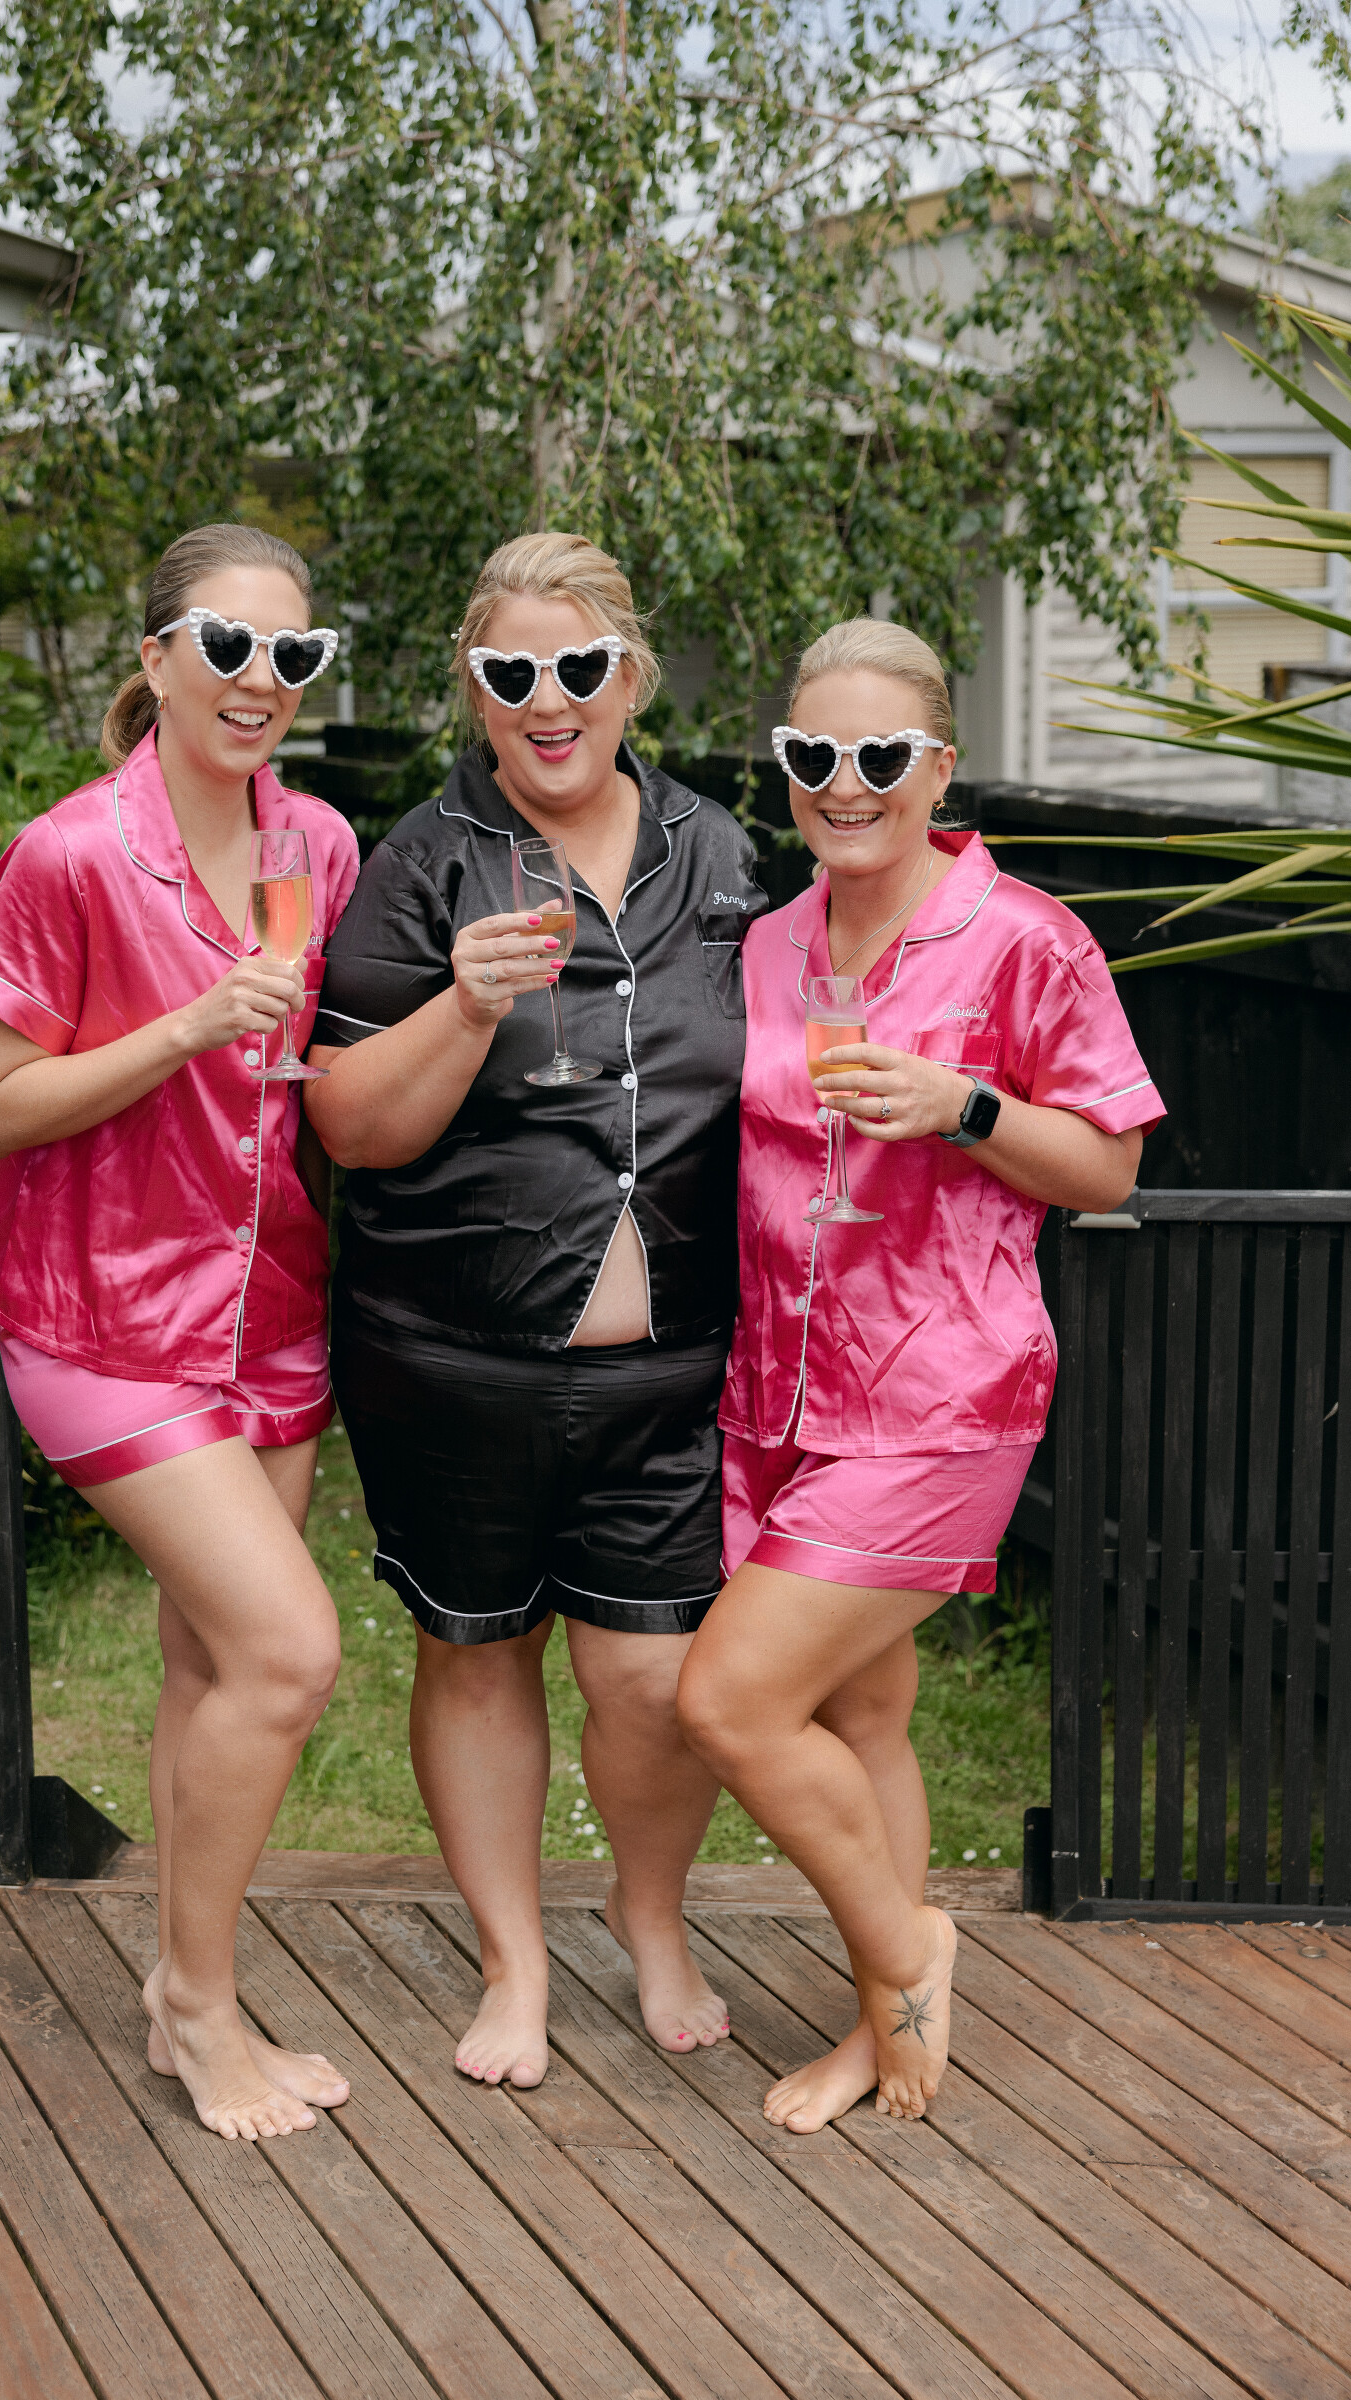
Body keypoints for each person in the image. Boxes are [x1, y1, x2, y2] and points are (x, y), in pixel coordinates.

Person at [676, 617, 1164, 2130]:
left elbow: (1109, 1169)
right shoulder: (771, 943)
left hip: (940, 1389)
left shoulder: (1025, 938)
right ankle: (881, 2024)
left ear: (938, 768)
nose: (845, 781)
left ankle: (908, 1953)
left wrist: (965, 1107)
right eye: (813, 753)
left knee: (731, 1701)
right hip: (780, 1388)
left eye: (879, 753)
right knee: (863, 1718)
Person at [305, 532, 768, 2087]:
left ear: (629, 677)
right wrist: (465, 1003)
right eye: (512, 671)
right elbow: (349, 1124)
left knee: (650, 1677)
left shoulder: (720, 852)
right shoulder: (423, 859)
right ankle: (511, 1962)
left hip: (672, 1367)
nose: (546, 698)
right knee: (477, 1651)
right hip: (452, 1359)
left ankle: (650, 1919)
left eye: (578, 666)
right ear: (475, 685)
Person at [0, 523, 361, 2142]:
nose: (261, 680)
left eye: (292, 655)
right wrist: (189, 1023)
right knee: (289, 1650)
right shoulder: (70, 855)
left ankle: (185, 1988)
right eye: (228, 646)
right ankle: (197, 2005)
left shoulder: (315, 844)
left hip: (272, 1313)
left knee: (210, 1664)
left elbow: (312, 1084)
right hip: (103, 1318)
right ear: (157, 661)